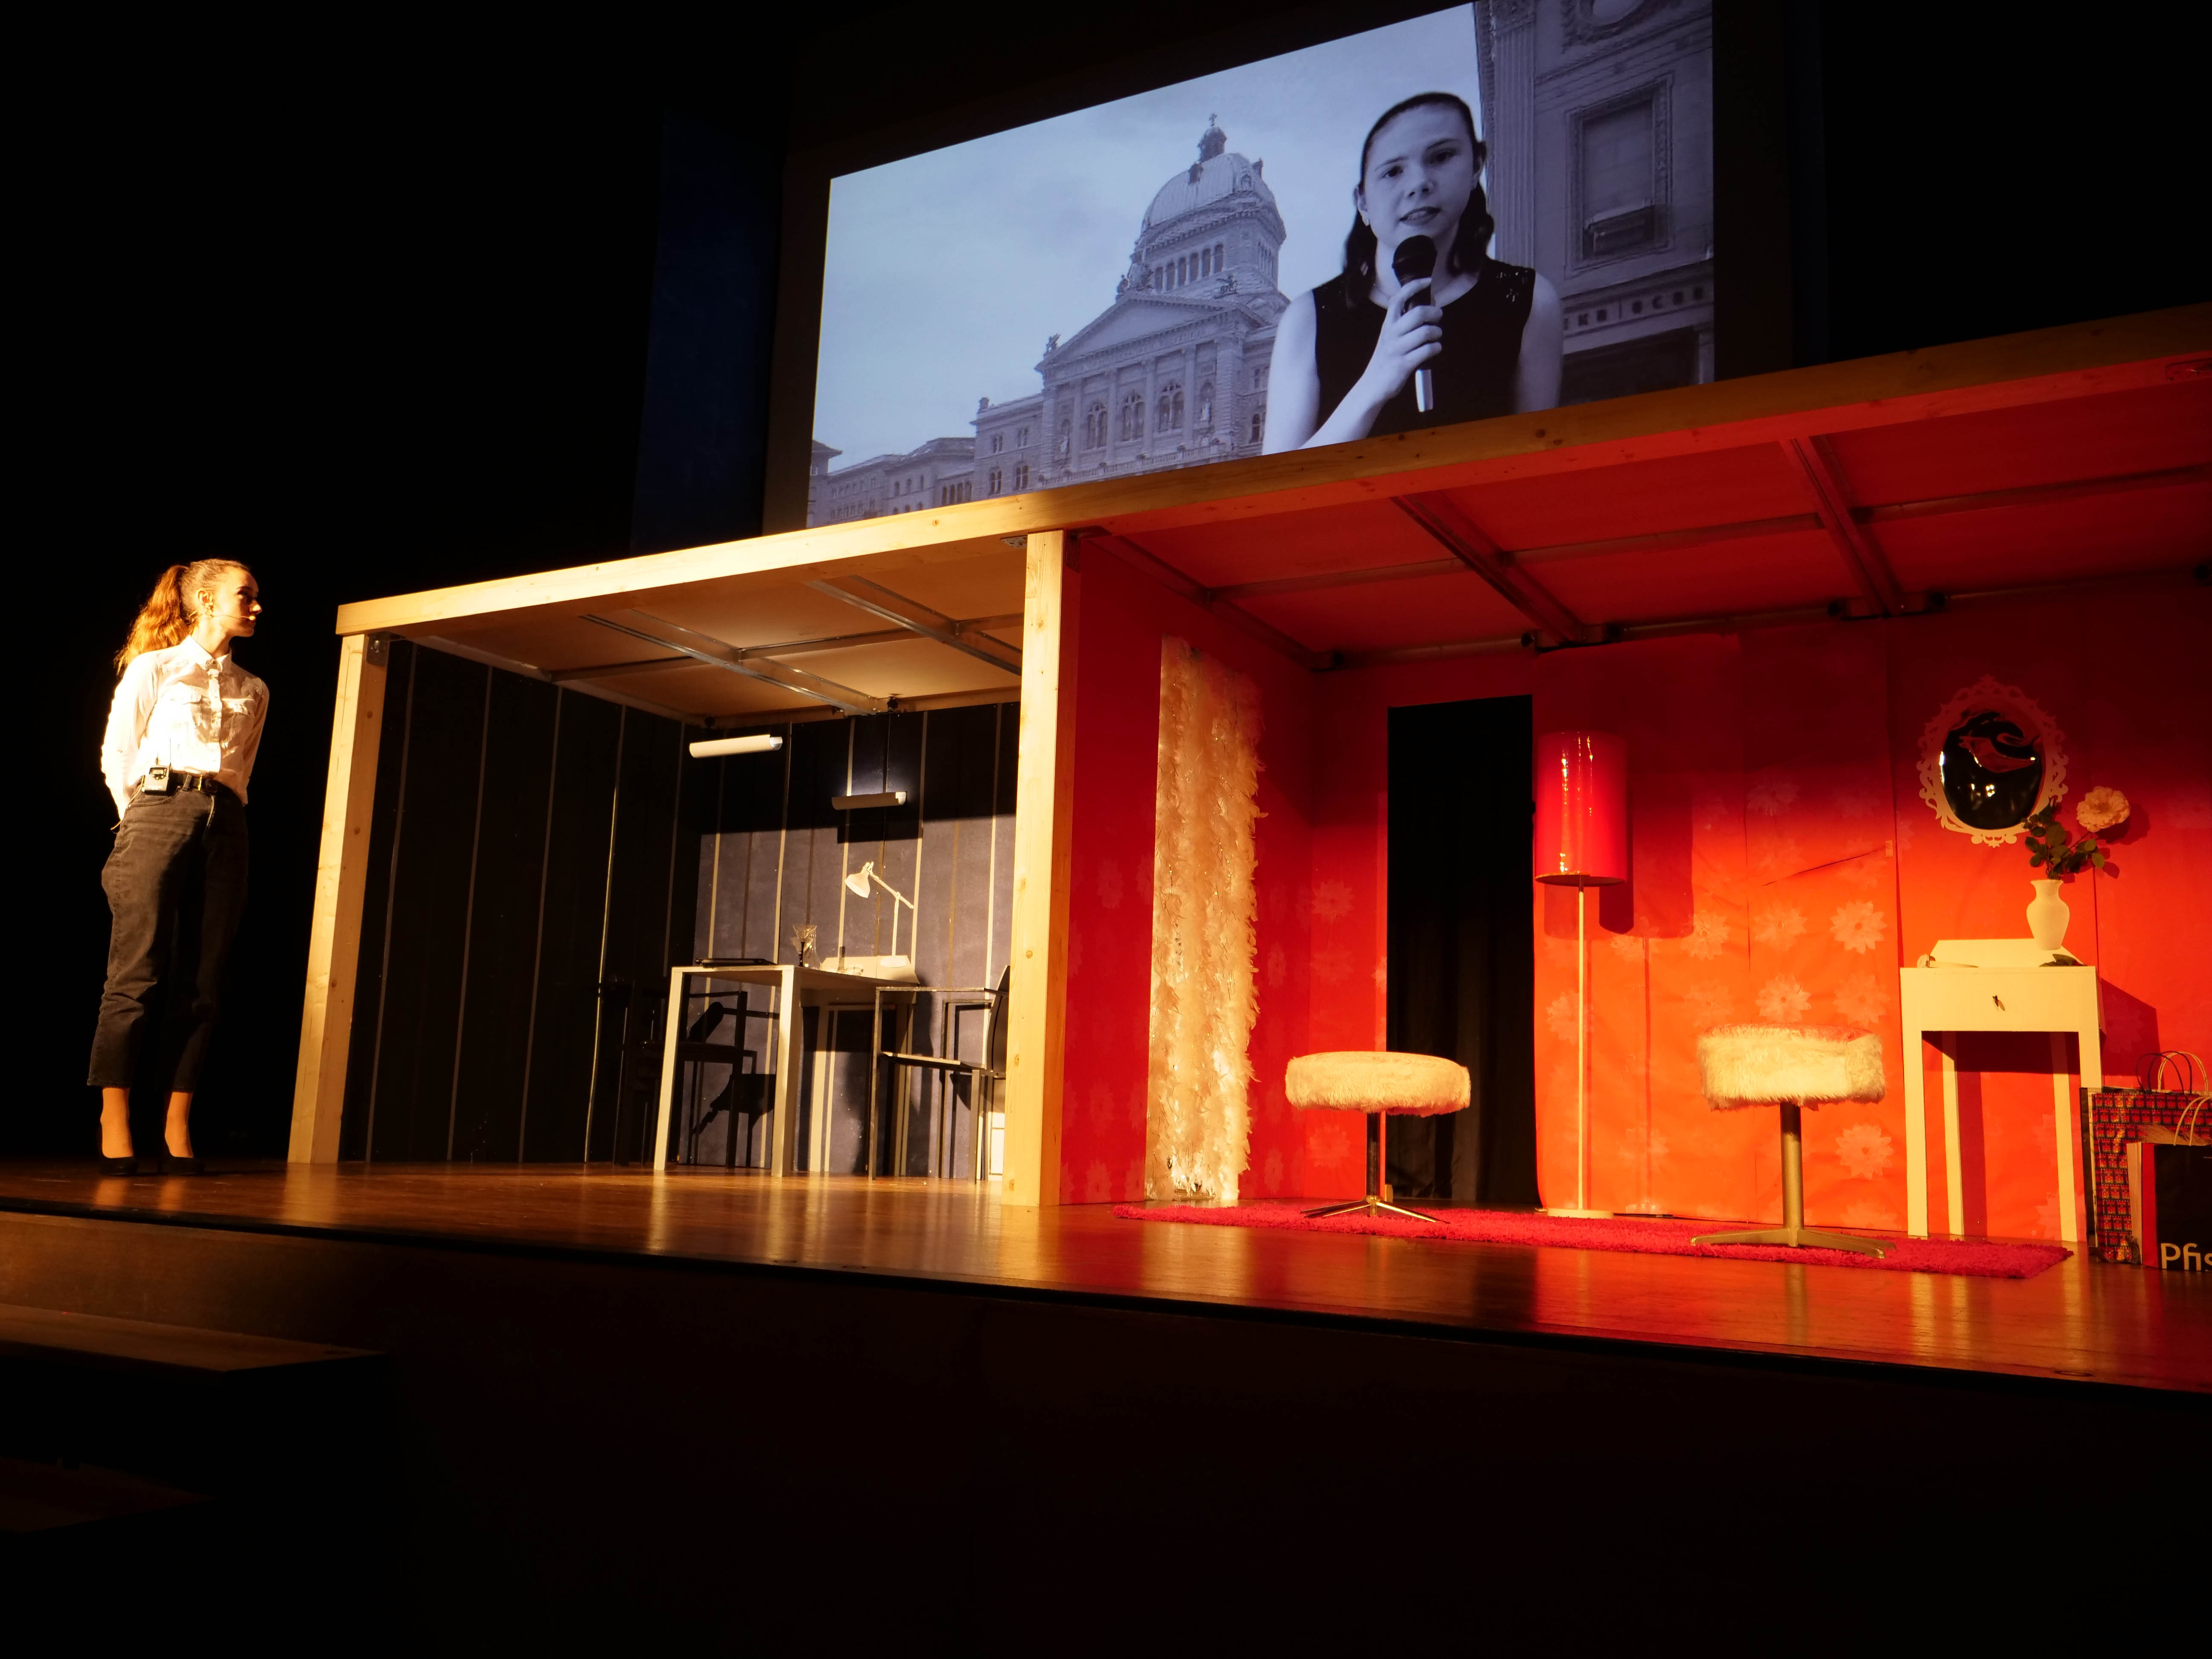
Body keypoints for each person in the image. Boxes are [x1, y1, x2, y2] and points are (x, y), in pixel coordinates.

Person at [90, 561, 268, 1174]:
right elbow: (118, 753)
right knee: (136, 971)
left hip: (227, 821)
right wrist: (139, 819)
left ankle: (175, 1123)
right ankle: (115, 1117)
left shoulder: (255, 688)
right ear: (206, 601)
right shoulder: (156, 668)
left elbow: (243, 768)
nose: (256, 606)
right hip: (158, 808)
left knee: (202, 981)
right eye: (245, 595)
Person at [1263, 92, 1563, 453]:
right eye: (1393, 172)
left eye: (1442, 157)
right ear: (1363, 202)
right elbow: (1279, 478)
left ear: (1476, 168)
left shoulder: (1529, 300)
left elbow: (1536, 461)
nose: (1419, 183)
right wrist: (1375, 382)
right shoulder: (1308, 318)